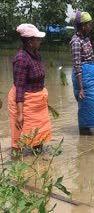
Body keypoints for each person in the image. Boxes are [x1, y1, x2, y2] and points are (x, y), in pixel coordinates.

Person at [8, 24, 52, 156]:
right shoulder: (21, 59)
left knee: (39, 137)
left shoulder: (36, 56)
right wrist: (20, 114)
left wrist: (41, 98)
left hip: (37, 103)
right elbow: (20, 87)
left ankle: (37, 168)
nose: (40, 41)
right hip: (23, 103)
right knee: (19, 140)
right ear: (29, 42)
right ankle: (16, 171)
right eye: (37, 39)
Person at [70, 11, 94, 135]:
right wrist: (81, 88)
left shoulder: (86, 39)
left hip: (92, 79)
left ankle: (87, 137)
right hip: (83, 80)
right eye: (89, 25)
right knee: (85, 109)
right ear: (83, 26)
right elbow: (77, 66)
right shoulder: (76, 42)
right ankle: (84, 137)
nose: (91, 27)